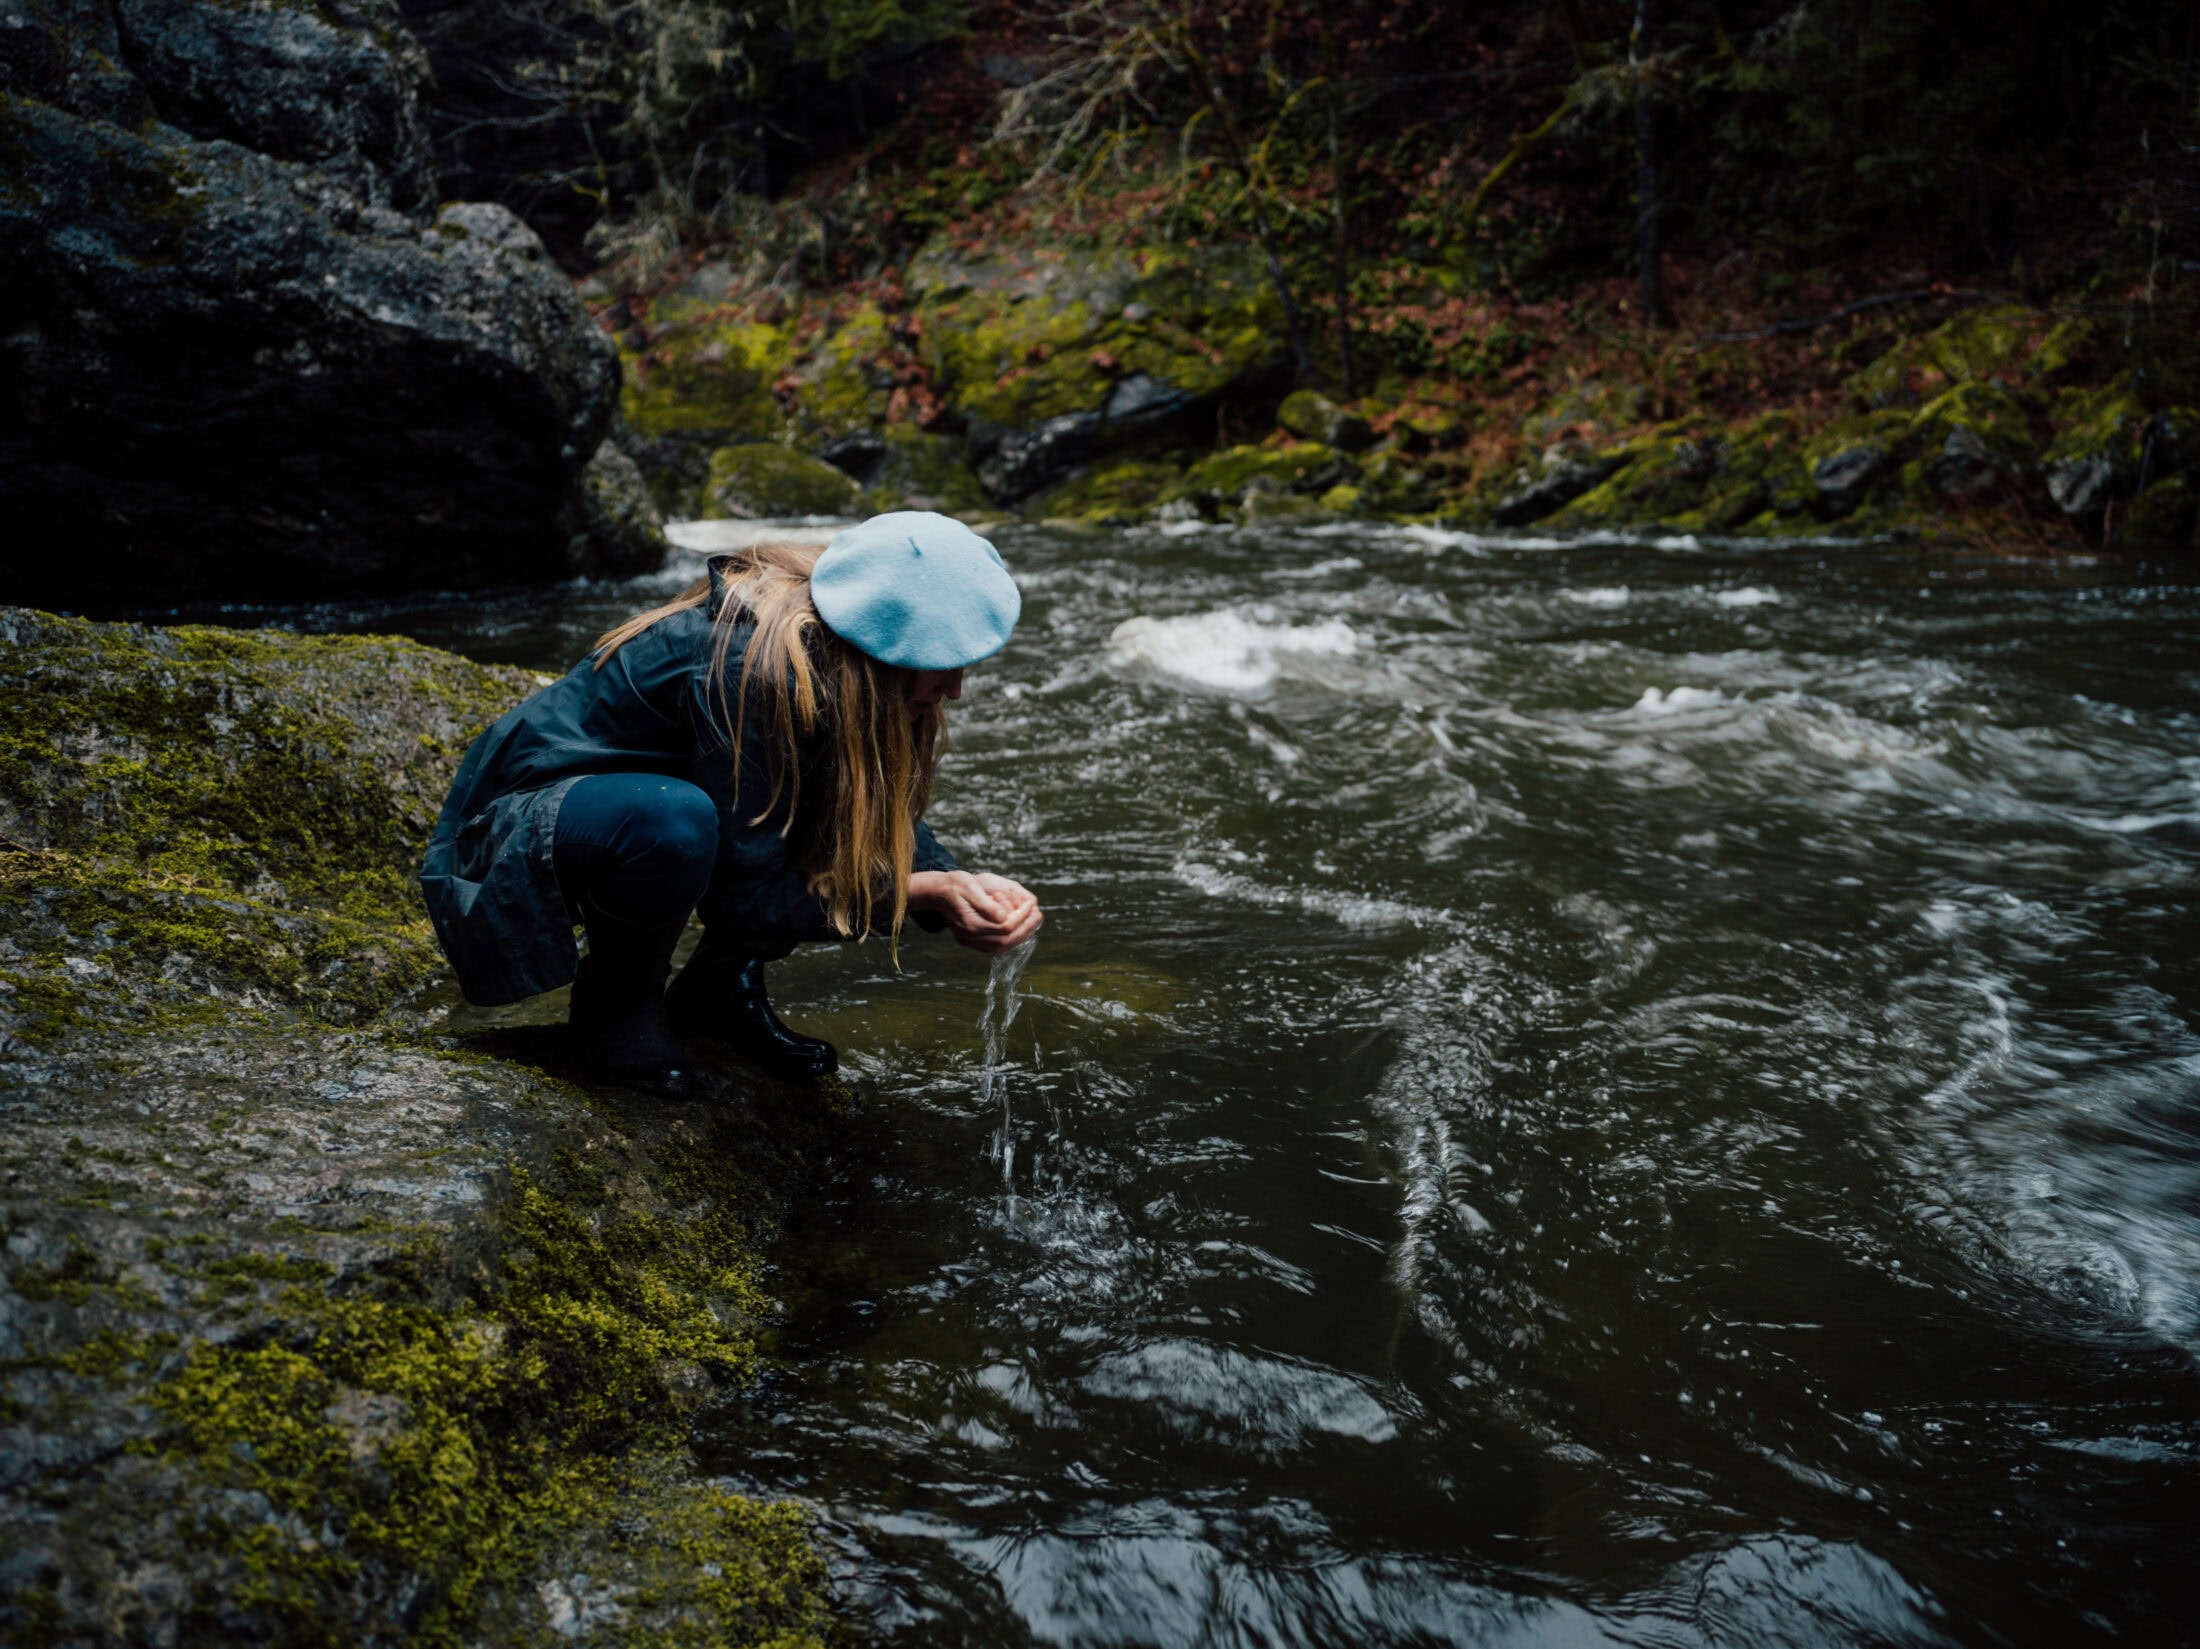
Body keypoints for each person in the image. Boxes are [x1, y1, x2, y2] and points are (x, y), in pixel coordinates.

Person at [419, 510, 1044, 1096]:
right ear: (883, 648)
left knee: (744, 808)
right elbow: (748, 899)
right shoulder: (754, 665)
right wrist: (921, 891)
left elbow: (864, 808)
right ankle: (619, 1005)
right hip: (519, 827)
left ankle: (720, 989)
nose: (956, 690)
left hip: (637, 807)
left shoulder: (850, 654)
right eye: (943, 665)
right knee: (675, 820)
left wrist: (957, 879)